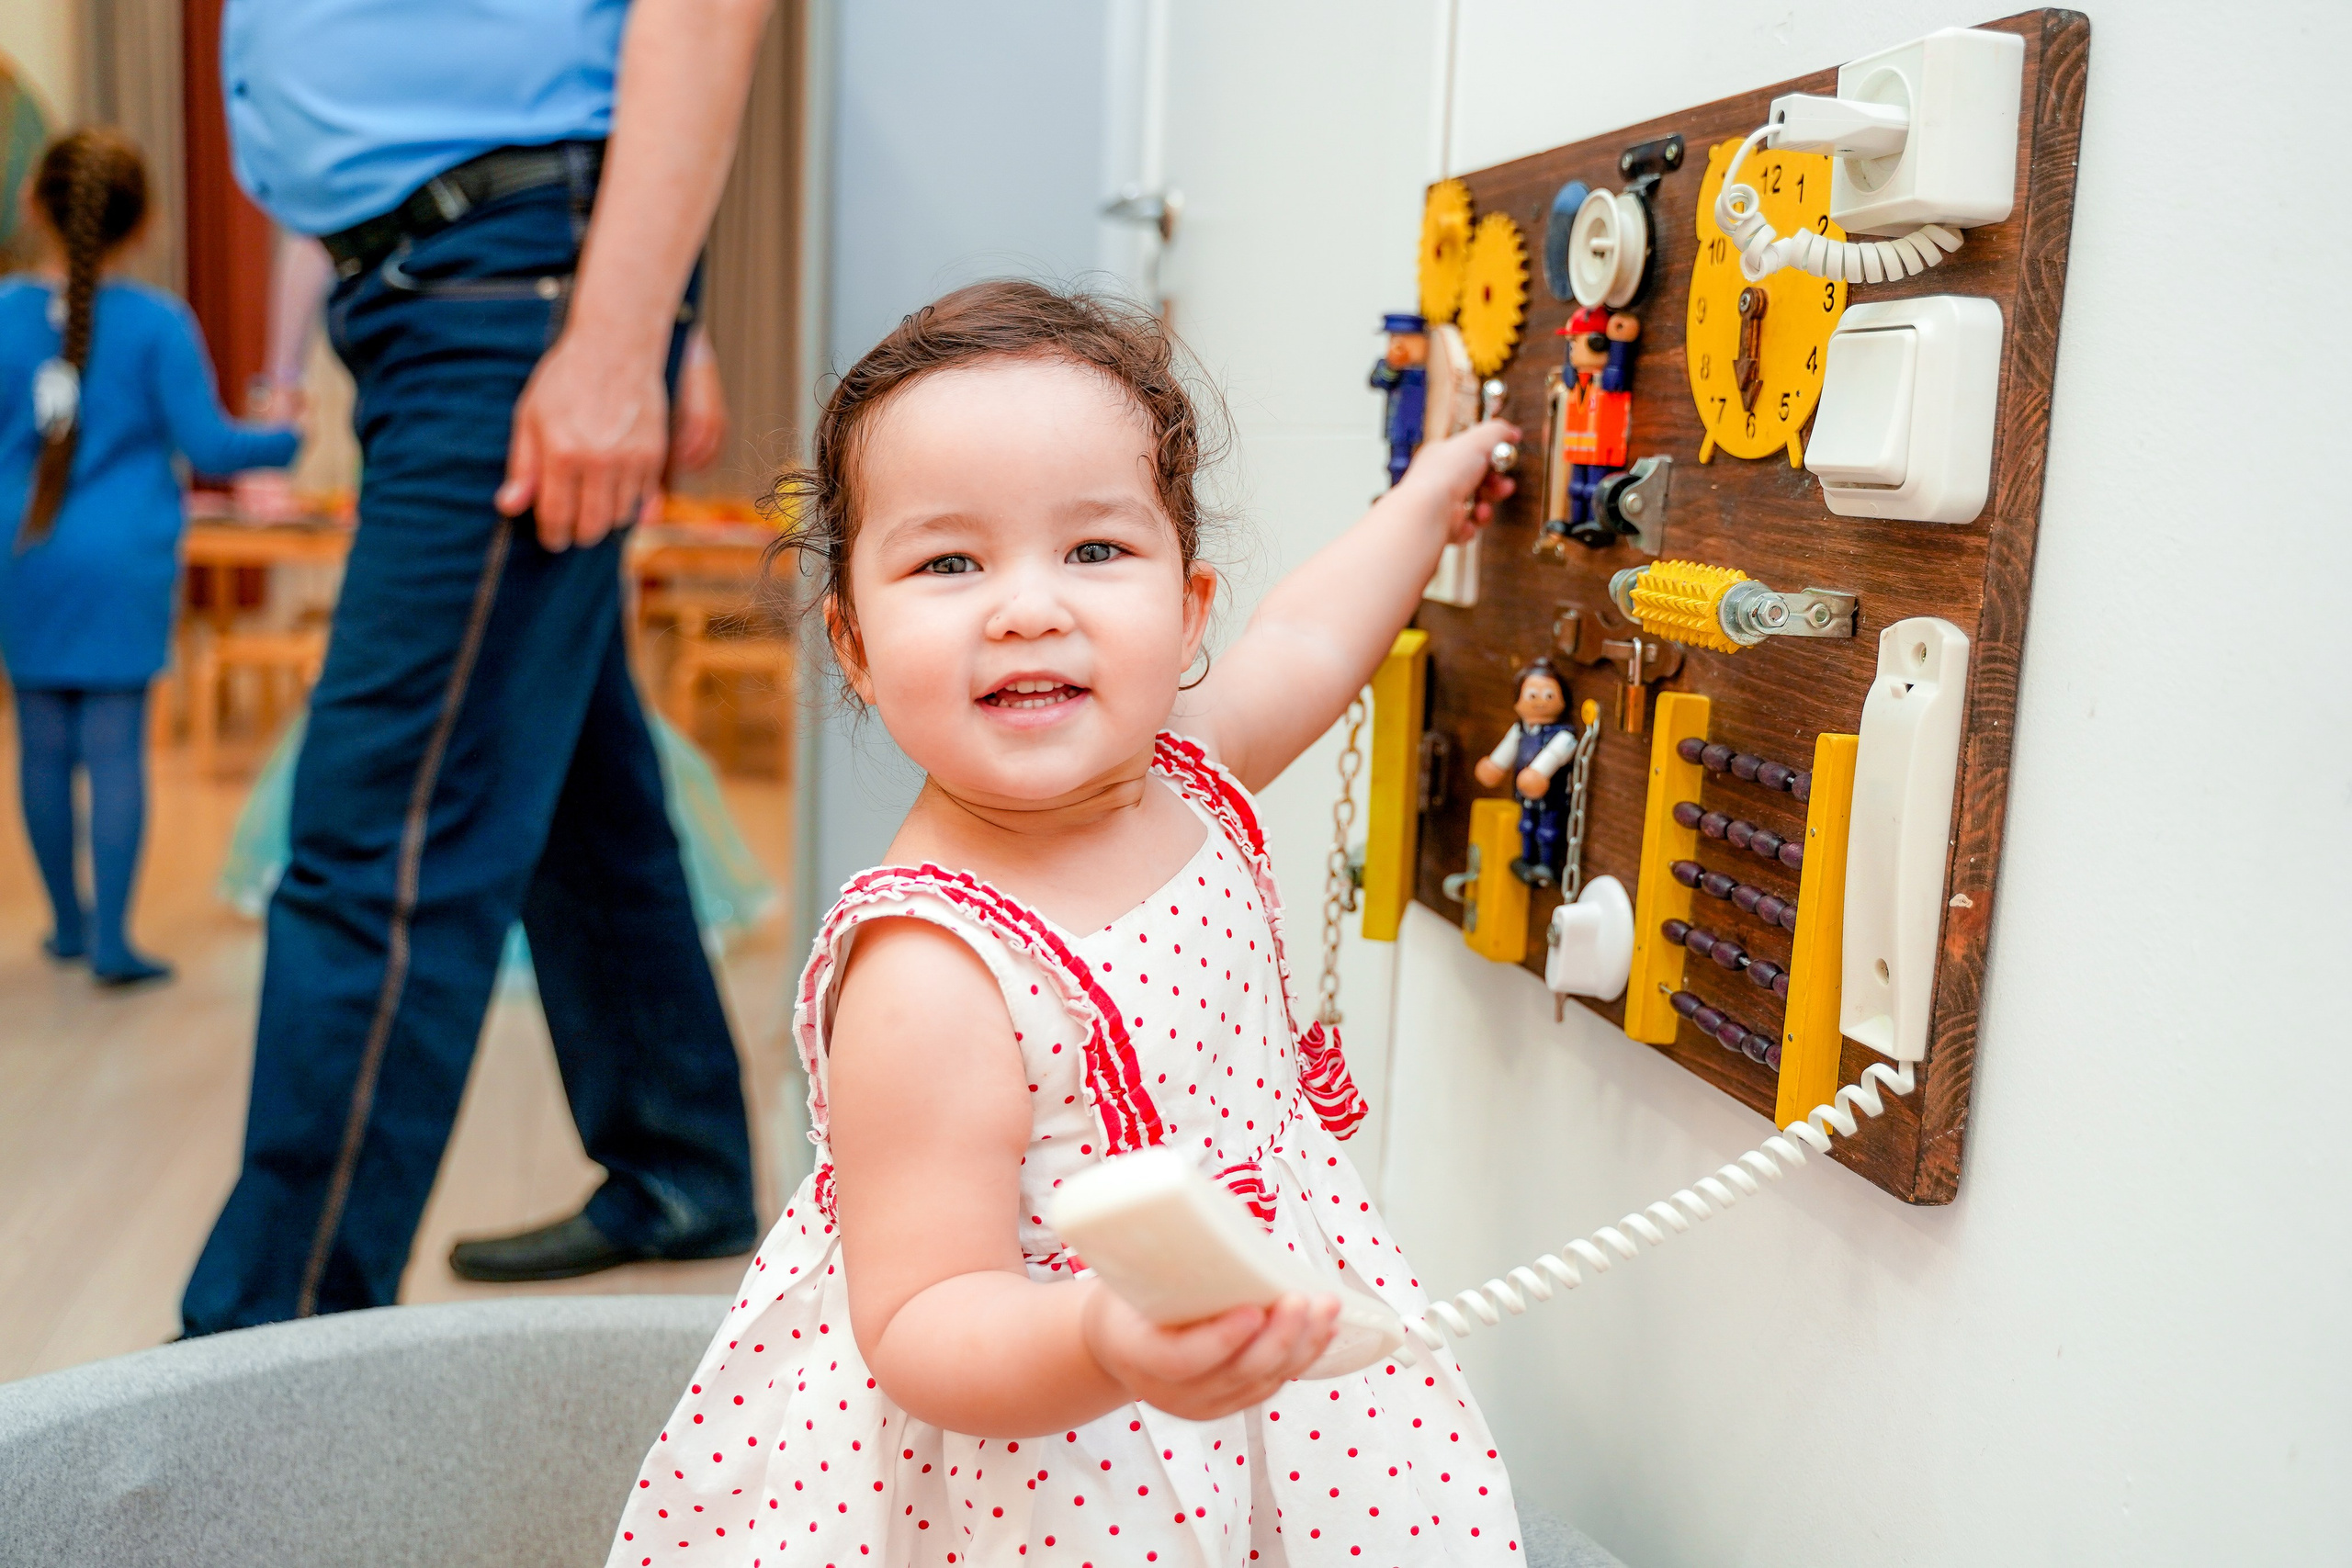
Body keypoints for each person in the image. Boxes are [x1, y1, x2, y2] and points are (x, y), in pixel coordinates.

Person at [610, 280, 1527, 1565]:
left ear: (1189, 608)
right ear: (855, 643)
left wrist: (1427, 505)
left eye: (1095, 551)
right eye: (949, 561)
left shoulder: (1191, 768)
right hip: (1047, 1460)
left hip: (1271, 1375)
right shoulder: (933, 969)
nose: (1029, 604)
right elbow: (926, 1314)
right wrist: (1103, 1340)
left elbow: (1315, 637)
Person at [181, 0, 775, 1336]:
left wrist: (624, 332)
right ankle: (684, 1161)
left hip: (500, 283)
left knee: (383, 827)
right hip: (438, 289)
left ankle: (264, 1341)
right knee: (560, 764)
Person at [0, 129, 299, 985]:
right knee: (116, 748)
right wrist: (288, 439)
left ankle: (65, 921)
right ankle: (112, 942)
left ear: (34, 206)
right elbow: (209, 442)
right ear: (147, 222)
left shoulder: (4, 316)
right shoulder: (160, 324)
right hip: (124, 557)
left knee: (41, 745)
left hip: (23, 549)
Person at [1473, 657, 1579, 886]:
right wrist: (1494, 765)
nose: (1540, 701)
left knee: (1547, 829)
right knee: (1527, 825)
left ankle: (1545, 865)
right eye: (1532, 695)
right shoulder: (1521, 729)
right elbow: (1506, 750)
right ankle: (1528, 860)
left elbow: (1556, 754)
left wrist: (1538, 773)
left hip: (1551, 795)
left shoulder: (1561, 734)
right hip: (1525, 791)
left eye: (1548, 695)